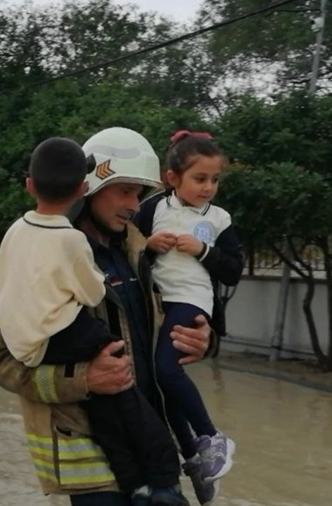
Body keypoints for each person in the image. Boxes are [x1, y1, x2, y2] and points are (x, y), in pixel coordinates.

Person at [0, 127, 215, 506]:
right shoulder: (43, 257)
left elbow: (164, 331)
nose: (134, 205)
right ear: (87, 188)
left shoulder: (142, 253)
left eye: (139, 194)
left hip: (150, 448)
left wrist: (201, 339)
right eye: (124, 191)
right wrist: (84, 379)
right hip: (89, 459)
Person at [135, 130, 243, 486]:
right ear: (172, 178)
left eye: (214, 179)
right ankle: (193, 457)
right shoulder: (151, 208)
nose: (208, 187)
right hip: (155, 302)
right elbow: (129, 253)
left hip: (192, 301)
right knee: (156, 379)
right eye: (199, 179)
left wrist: (203, 251)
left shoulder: (219, 219)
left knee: (167, 371)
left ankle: (211, 437)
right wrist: (149, 246)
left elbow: (233, 271)